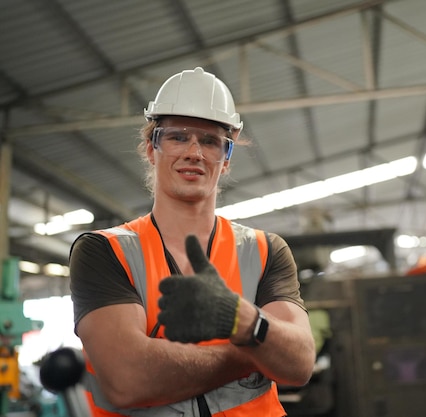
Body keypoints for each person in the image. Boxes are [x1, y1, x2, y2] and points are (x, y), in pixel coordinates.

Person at [69, 67, 316, 417]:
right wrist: (253, 352)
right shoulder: (105, 251)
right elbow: (127, 380)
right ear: (151, 149)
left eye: (211, 141)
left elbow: (300, 363)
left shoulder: (264, 251)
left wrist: (242, 319)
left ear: (226, 159)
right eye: (178, 137)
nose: (194, 152)